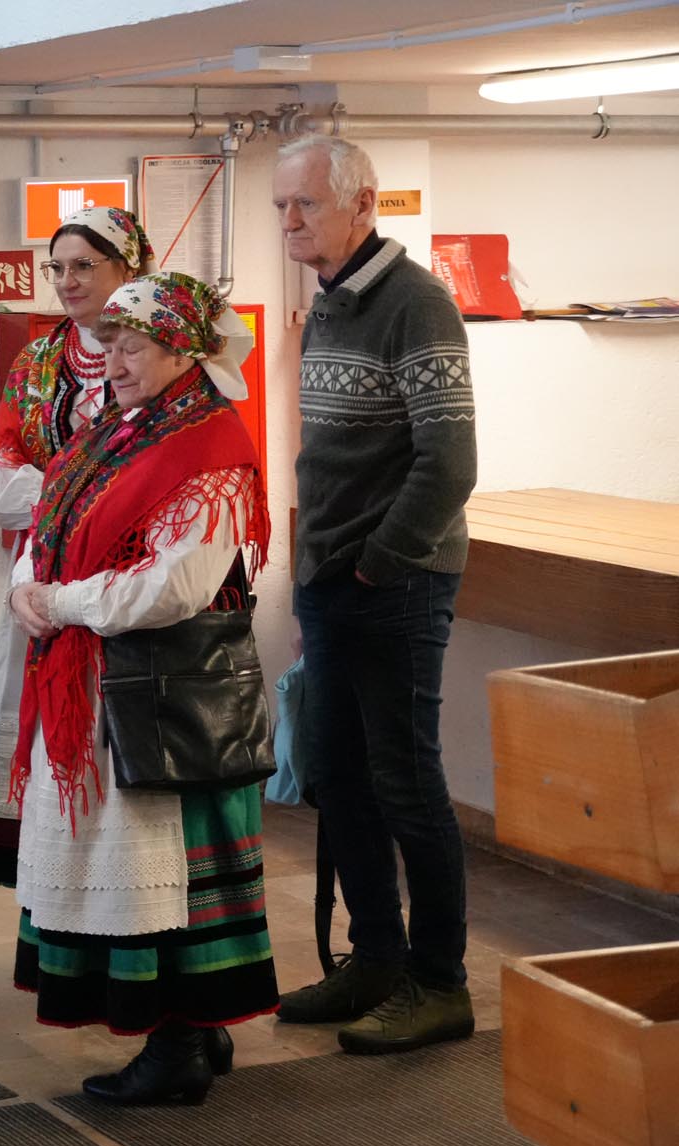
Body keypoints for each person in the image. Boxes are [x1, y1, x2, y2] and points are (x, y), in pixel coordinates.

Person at [5, 273, 276, 1106]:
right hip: (105, 683)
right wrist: (26, 587)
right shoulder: (117, 430)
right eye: (111, 344)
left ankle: (177, 1044)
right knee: (142, 864)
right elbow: (51, 522)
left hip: (162, 693)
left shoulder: (208, 444)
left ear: (184, 350)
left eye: (135, 346)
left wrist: (59, 602)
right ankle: (201, 1026)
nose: (114, 361)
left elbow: (176, 585)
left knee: (166, 867)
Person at [272, 135, 478, 1054]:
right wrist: (313, 574)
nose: (288, 221)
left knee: (406, 783)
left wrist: (378, 562)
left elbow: (449, 463)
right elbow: (330, 460)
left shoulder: (417, 304)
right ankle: (377, 960)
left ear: (363, 204)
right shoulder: (329, 300)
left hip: (393, 582)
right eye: (281, 206)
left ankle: (440, 983)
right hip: (331, 581)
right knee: (340, 777)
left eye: (304, 204)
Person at [0, 207, 154, 887]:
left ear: (128, 268)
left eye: (84, 265)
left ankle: (124, 884)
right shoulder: (39, 360)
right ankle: (53, 880)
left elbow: (162, 464)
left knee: (124, 732)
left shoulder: (161, 353)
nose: (67, 280)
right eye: (58, 267)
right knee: (49, 720)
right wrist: (77, 490)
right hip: (44, 568)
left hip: (132, 569)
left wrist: (65, 487)